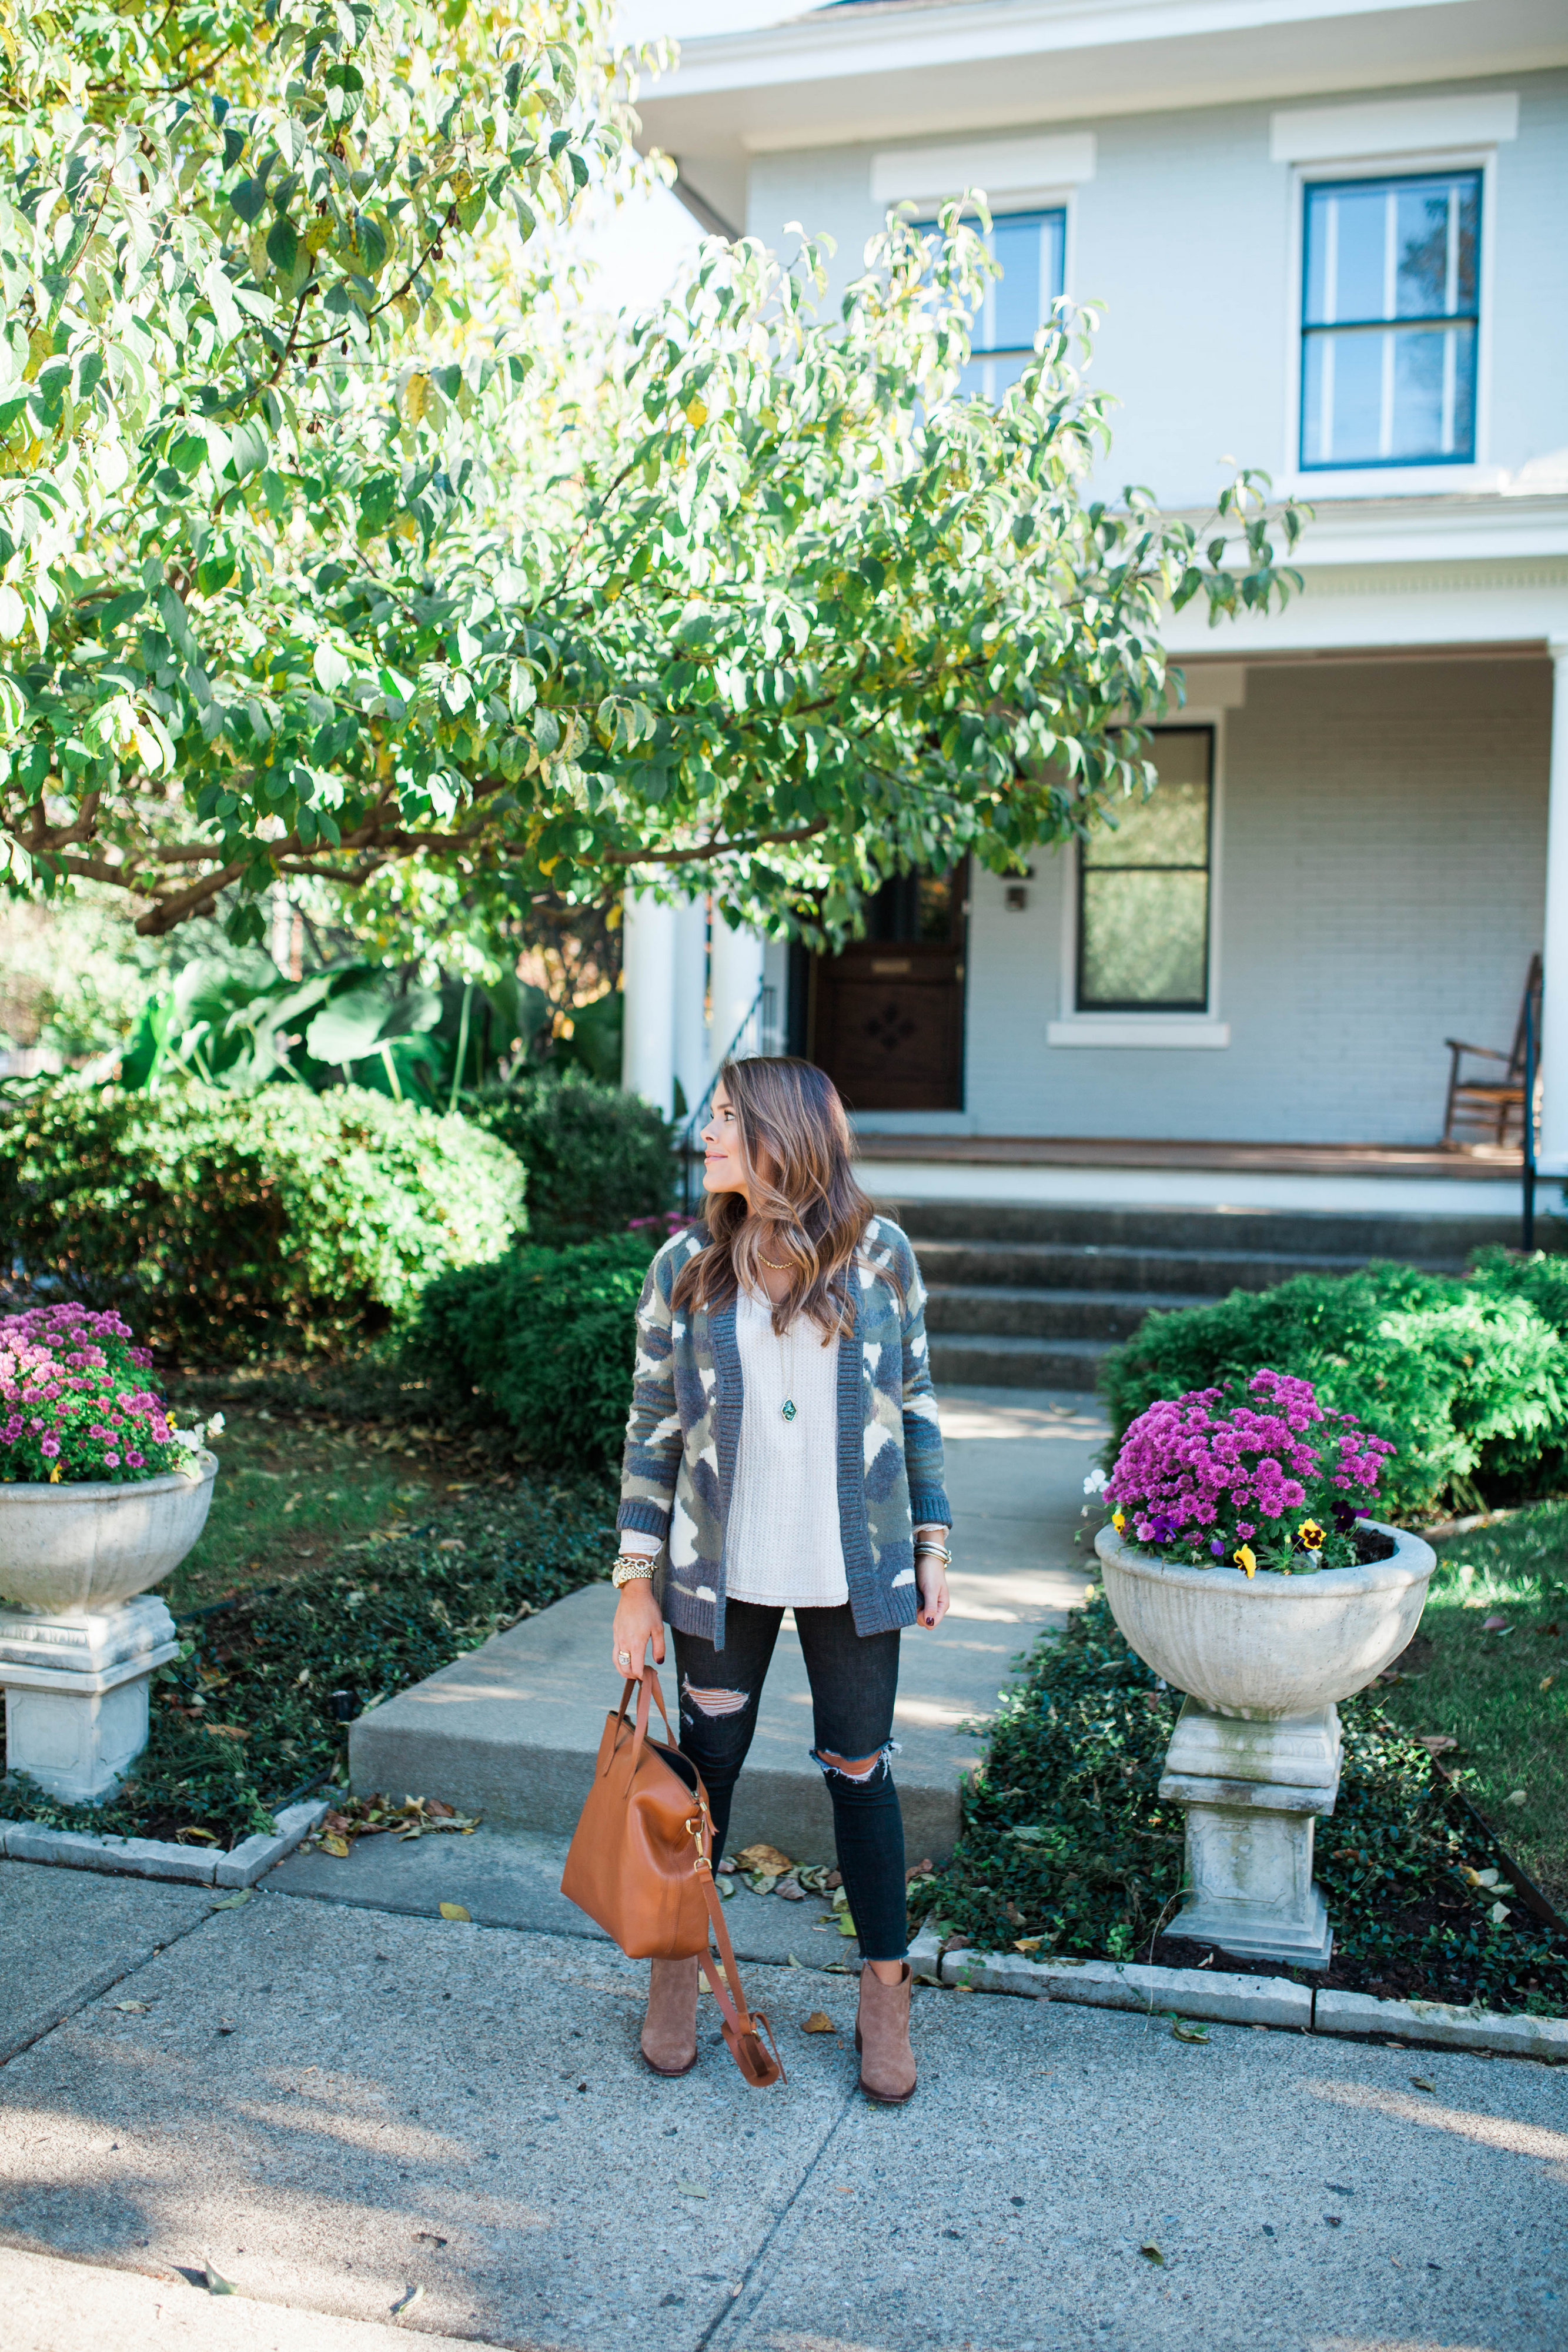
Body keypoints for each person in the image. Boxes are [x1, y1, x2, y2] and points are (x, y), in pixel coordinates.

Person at [610, 1054, 952, 2104]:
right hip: (726, 1569)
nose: (706, 1136)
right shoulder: (685, 1266)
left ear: (780, 1139)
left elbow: (920, 1396)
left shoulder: (882, 1256)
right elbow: (651, 1430)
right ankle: (680, 1971)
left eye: (723, 1121)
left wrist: (931, 1540)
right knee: (703, 1777)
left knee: (862, 1771)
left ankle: (884, 1996)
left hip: (853, 1571)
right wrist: (634, 1580)